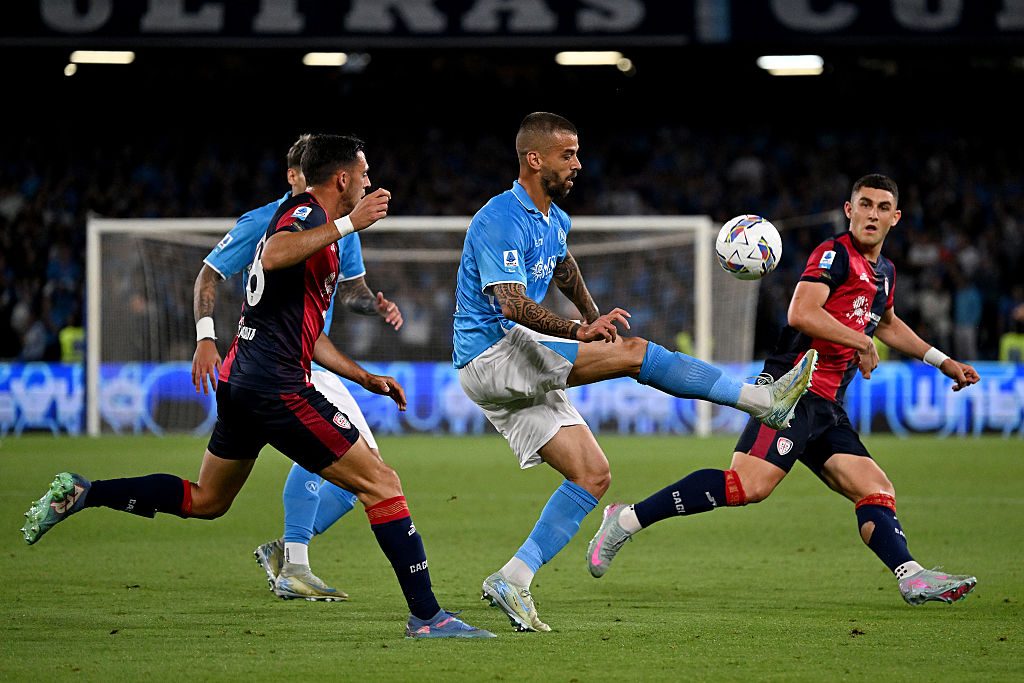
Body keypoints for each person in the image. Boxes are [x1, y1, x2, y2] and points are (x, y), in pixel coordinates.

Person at [23, 134, 494, 639]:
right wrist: (349, 223)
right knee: (382, 484)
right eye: (364, 173)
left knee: (208, 500)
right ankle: (428, 617)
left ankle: (85, 492)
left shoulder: (313, 227)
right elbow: (273, 254)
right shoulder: (306, 216)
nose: (369, 182)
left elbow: (307, 333)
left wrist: (364, 377)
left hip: (244, 380)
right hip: (277, 386)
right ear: (342, 179)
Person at [453, 112, 817, 632]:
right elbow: (509, 302)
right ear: (534, 159)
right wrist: (579, 330)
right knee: (636, 353)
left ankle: (513, 578)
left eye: (577, 153)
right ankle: (761, 401)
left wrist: (591, 314)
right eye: (567, 155)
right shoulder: (500, 218)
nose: (578, 164)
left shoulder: (554, 219)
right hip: (492, 353)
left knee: (592, 474)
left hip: (511, 362)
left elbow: (563, 266)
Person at [586, 173, 980, 607]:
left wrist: (943, 361)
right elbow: (801, 312)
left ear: (896, 217)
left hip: (828, 406)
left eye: (882, 207)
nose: (872, 214)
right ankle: (626, 519)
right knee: (748, 486)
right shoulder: (835, 254)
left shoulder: (883, 272)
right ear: (849, 210)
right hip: (790, 394)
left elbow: (885, 323)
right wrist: (860, 341)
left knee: (875, 488)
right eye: (865, 204)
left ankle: (912, 577)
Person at [191, 133, 403, 602]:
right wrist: (206, 336)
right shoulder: (267, 222)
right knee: (369, 473)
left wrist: (374, 304)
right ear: (295, 176)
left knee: (360, 477)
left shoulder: (341, 221)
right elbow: (210, 273)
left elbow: (351, 290)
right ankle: (295, 560)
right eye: (300, 175)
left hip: (310, 354)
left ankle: (290, 555)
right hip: (281, 360)